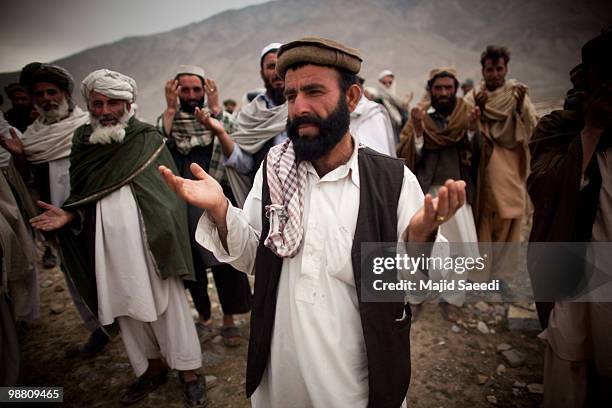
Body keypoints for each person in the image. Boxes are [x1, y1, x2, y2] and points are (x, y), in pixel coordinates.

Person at [160, 37, 466, 408]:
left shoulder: (392, 180)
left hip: (358, 382)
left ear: (351, 98)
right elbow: (253, 257)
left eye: (314, 91)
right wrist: (222, 211)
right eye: (290, 96)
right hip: (282, 377)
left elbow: (419, 287)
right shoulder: (275, 170)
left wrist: (419, 237)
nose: (299, 107)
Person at [29, 69, 207, 407]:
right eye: (98, 103)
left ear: (128, 104)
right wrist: (69, 214)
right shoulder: (82, 141)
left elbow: (167, 196)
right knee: (125, 305)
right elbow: (81, 193)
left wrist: (166, 233)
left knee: (168, 306)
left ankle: (189, 372)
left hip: (150, 242)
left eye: (114, 102)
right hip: (104, 244)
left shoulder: (145, 137)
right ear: (89, 105)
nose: (106, 110)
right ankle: (152, 369)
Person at [0, 62, 110, 357]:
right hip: (56, 220)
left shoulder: (88, 125)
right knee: (72, 273)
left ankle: (125, 324)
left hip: (97, 214)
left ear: (65, 93)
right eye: (40, 93)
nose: (47, 98)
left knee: (108, 268)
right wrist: (21, 157)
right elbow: (29, 180)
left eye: (52, 91)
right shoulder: (31, 138)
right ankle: (97, 328)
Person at [528, 30, 612, 407]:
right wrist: (591, 131)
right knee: (570, 358)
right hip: (577, 270)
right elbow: (542, 187)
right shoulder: (559, 127)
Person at [157, 65, 251, 346]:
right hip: (179, 204)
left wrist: (215, 112)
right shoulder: (168, 121)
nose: (191, 95)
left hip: (216, 197)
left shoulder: (221, 118)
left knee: (225, 256)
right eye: (184, 89)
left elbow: (236, 150)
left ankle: (230, 319)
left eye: (196, 89)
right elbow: (159, 147)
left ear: (205, 91)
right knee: (192, 262)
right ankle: (204, 316)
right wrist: (170, 109)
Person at [397, 67, 482, 321]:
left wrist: (471, 131)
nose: (443, 93)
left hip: (457, 192)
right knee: (419, 250)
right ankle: (417, 297)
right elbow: (407, 152)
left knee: (458, 251)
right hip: (426, 194)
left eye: (448, 88)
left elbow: (477, 153)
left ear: (454, 89)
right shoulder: (420, 116)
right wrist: (420, 134)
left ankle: (452, 300)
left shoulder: (465, 114)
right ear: (430, 89)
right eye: (438, 88)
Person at [464, 46, 538, 284]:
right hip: (486, 165)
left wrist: (517, 109)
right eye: (490, 69)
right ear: (483, 71)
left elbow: (532, 124)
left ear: (505, 68)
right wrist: (478, 113)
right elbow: (464, 126)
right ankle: (480, 276)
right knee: (484, 218)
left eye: (499, 69)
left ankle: (503, 276)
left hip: (512, 163)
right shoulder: (474, 96)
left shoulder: (517, 94)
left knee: (510, 218)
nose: (495, 74)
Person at [222, 42, 288, 207]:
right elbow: (246, 165)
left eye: (282, 65)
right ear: (262, 72)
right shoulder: (251, 113)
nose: (277, 72)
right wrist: (220, 134)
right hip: (265, 197)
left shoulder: (304, 107)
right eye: (271, 66)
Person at [350, 77, 397, 156]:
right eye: (384, 83)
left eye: (390, 82)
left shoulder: (374, 112)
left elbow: (379, 154)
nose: (387, 85)